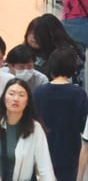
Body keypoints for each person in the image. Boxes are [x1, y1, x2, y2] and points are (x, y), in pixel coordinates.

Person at [0, 77, 56, 181]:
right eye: (11, 94)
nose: (16, 99)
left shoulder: (35, 128)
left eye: (21, 95)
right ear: (4, 98)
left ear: (27, 101)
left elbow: (44, 167)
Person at [32, 46, 88, 180]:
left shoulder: (38, 92)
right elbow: (83, 128)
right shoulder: (78, 94)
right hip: (69, 158)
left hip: (41, 156)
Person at [25, 13, 87, 86]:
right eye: (32, 33)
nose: (34, 38)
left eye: (39, 35)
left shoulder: (65, 54)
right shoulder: (24, 51)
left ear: (50, 36)